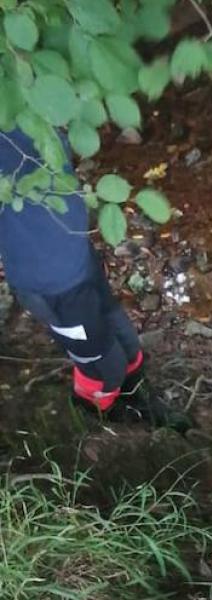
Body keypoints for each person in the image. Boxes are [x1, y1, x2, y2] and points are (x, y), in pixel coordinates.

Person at [0, 130, 189, 430]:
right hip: (53, 288)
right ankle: (95, 408)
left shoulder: (32, 101)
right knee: (105, 367)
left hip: (79, 259)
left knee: (127, 342)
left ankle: (136, 398)